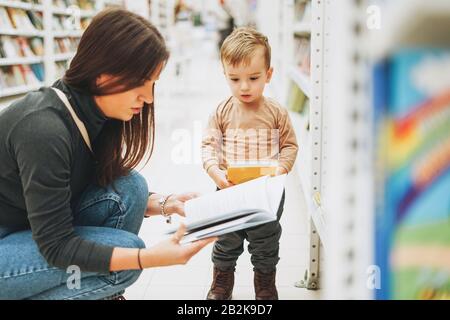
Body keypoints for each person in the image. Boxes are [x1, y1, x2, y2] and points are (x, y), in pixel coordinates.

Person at [0, 8, 215, 300]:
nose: (149, 97)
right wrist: (149, 259)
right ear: (102, 74)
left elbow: (91, 184)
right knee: (128, 256)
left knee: (132, 188)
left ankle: (100, 294)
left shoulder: (92, 113)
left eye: (153, 83)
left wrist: (166, 203)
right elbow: (56, 246)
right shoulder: (43, 129)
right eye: (141, 83)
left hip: (25, 228)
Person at [202, 27, 299, 300]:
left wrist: (281, 170)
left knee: (266, 242)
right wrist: (215, 172)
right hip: (229, 189)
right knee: (226, 240)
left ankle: (265, 286)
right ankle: (221, 284)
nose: (244, 86)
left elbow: (290, 145)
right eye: (234, 79)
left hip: (267, 193)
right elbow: (209, 146)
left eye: (253, 78)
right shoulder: (222, 111)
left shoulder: (276, 112)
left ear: (269, 75)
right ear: (225, 75)